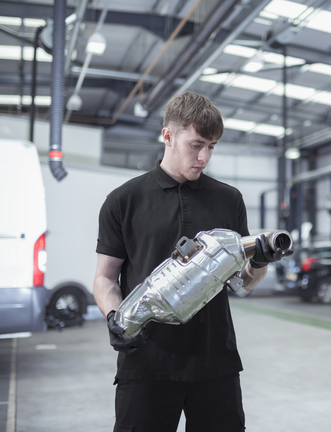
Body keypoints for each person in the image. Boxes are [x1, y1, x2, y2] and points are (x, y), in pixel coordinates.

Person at [93, 91, 289, 432]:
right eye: (196, 144)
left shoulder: (229, 200)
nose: (204, 156)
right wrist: (114, 317)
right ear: (168, 135)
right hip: (146, 364)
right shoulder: (124, 200)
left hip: (216, 364)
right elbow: (105, 278)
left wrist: (260, 262)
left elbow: (242, 281)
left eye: (211, 147)